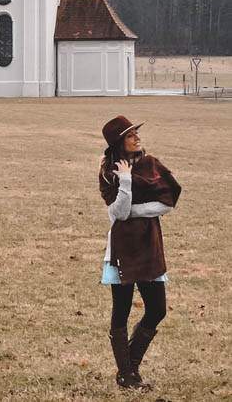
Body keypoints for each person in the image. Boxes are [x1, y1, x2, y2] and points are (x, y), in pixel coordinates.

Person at [99, 115, 181, 391]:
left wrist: (135, 211)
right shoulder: (108, 173)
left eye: (136, 133)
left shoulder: (151, 165)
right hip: (122, 249)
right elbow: (117, 212)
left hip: (149, 245)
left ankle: (130, 364)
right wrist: (125, 181)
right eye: (130, 135)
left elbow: (167, 203)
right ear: (119, 143)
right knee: (121, 311)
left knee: (157, 310)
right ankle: (126, 376)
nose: (137, 138)